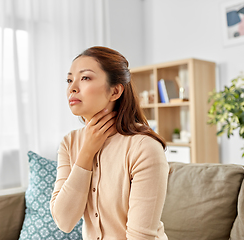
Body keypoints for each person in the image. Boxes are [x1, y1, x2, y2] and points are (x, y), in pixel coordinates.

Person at [50, 46, 169, 240]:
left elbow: (141, 237)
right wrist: (86, 153)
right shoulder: (69, 143)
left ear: (115, 91)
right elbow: (64, 221)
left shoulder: (144, 148)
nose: (72, 87)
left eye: (85, 78)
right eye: (69, 80)